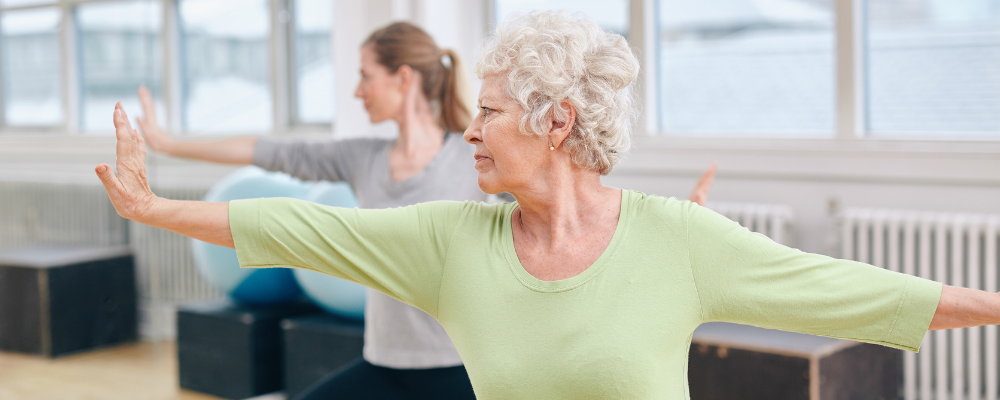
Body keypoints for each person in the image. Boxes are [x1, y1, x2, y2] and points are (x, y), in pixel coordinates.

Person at [95, 11, 999, 400]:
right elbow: (305, 226)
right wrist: (156, 207)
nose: (471, 132)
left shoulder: (675, 241)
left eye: (488, 113)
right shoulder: (452, 242)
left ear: (556, 120)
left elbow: (851, 290)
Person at [133, 20, 715, 399]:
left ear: (403, 78)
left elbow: (565, 206)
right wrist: (166, 144)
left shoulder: (479, 158)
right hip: (383, 359)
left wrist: (664, 234)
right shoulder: (362, 158)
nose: (357, 90)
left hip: (461, 369)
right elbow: (269, 152)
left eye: (365, 76)